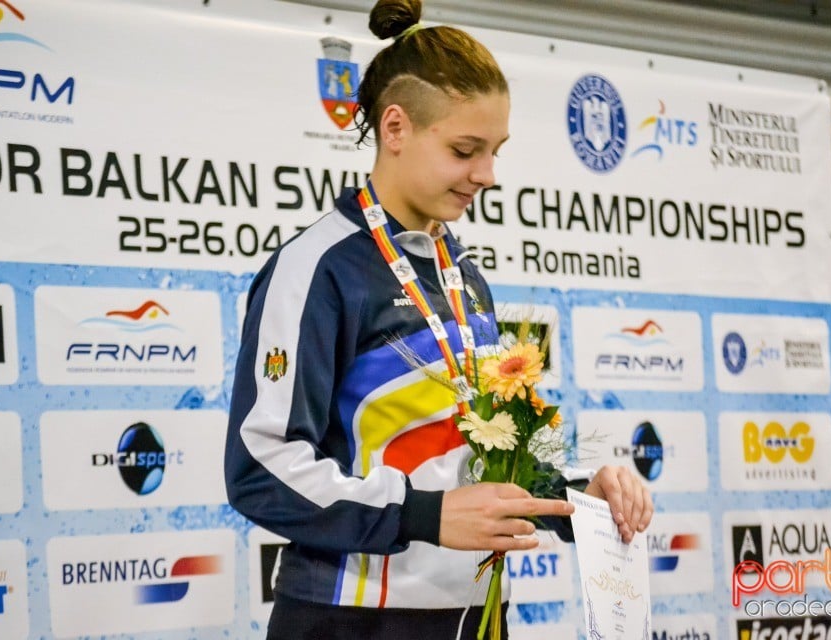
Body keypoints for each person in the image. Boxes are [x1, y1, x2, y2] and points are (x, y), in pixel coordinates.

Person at [224, 1, 654, 638]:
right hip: (351, 616)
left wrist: (579, 496)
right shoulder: (319, 268)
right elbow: (259, 468)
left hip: (473, 610)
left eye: (495, 152)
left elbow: (481, 455)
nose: (485, 175)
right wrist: (421, 515)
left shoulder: (461, 274)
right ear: (395, 128)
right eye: (464, 149)